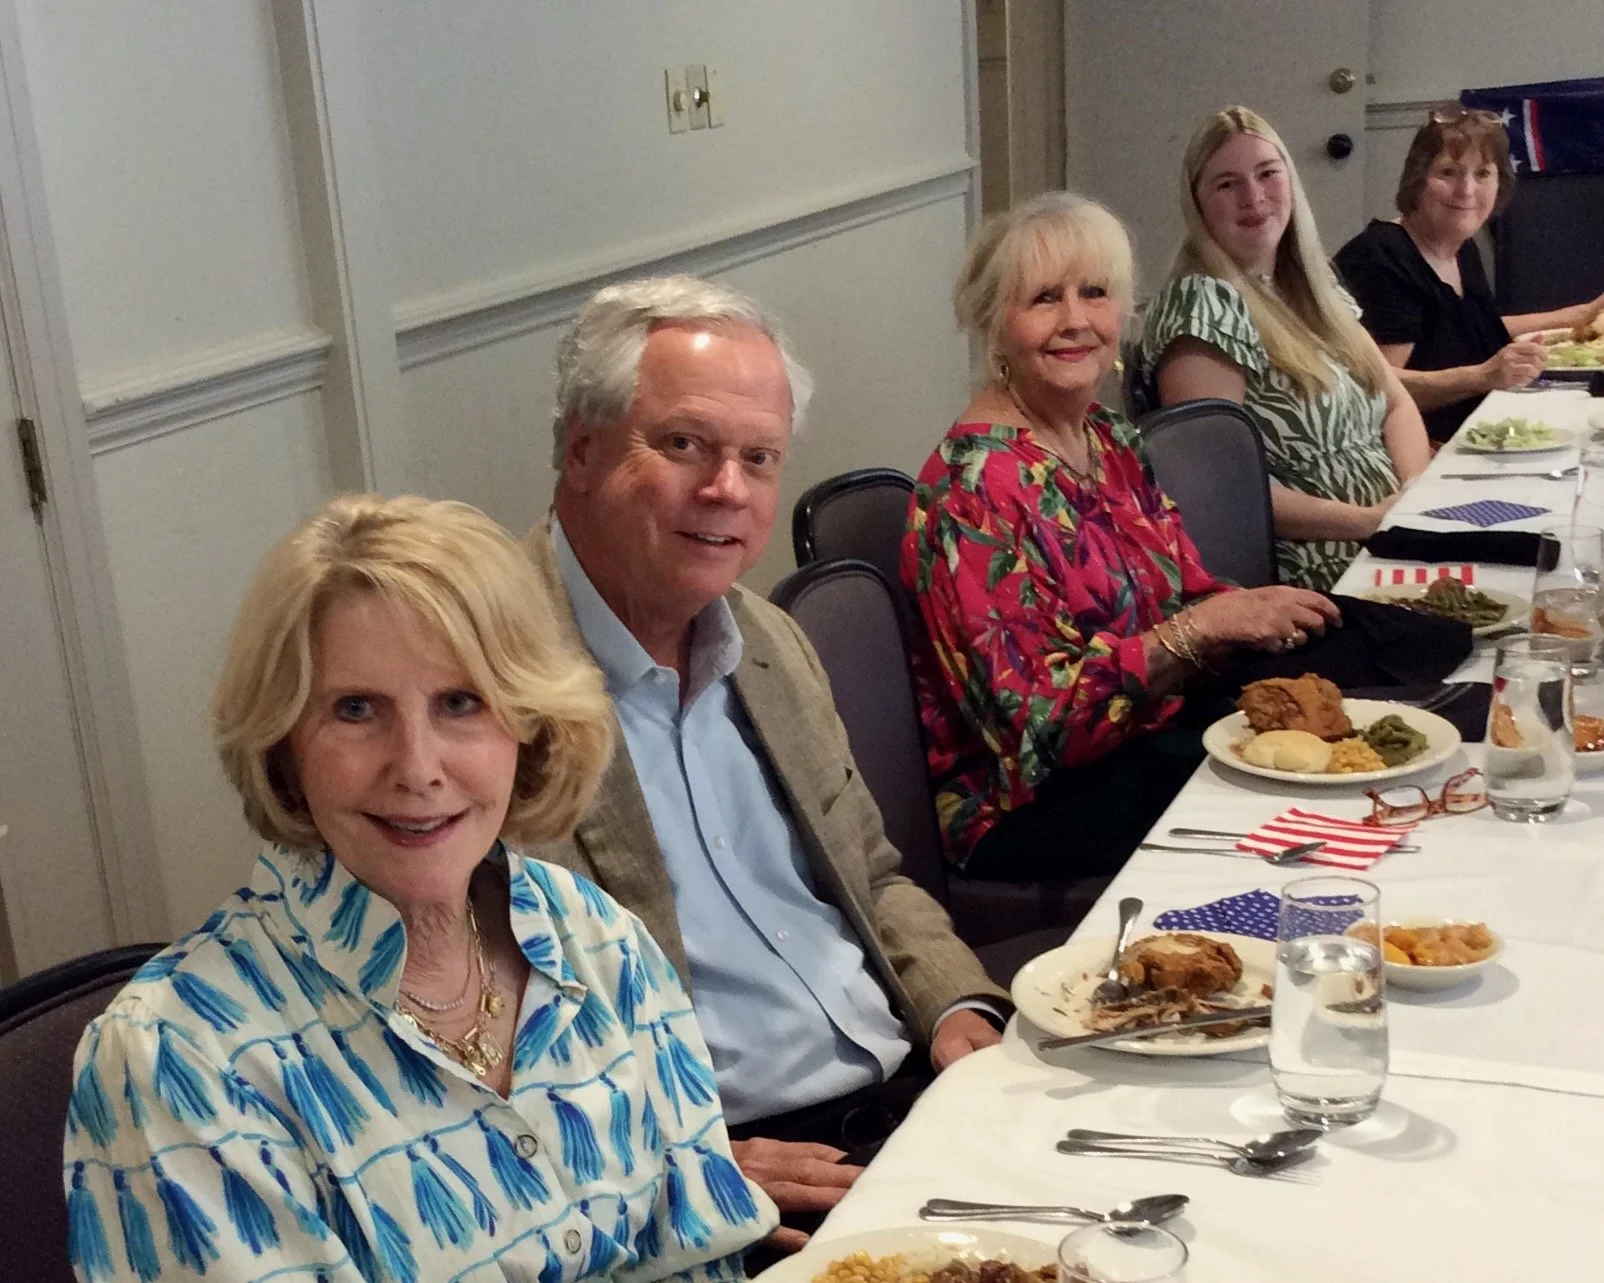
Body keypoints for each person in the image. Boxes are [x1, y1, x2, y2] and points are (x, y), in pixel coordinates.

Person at [63, 495, 772, 1283]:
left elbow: (707, 1262)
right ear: (283, 744)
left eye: (460, 702)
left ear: (527, 722)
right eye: (355, 709)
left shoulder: (596, 939)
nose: (417, 766)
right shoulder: (180, 1058)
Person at [524, 275, 1008, 1255]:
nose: (726, 489)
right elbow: (475, 1033)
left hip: (909, 1089)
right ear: (580, 446)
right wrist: (675, 1159)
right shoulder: (484, 684)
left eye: (757, 458)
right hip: (726, 1167)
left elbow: (871, 874)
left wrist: (955, 1005)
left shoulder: (769, 643)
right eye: (684, 445)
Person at [903, 191, 1340, 881]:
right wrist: (1202, 628)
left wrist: (1256, 618)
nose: (1076, 320)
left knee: (1340, 733)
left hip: (1142, 740)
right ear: (993, 326)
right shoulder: (973, 488)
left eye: (1096, 293)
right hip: (1028, 804)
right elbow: (1036, 729)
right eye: (1044, 298)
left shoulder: (1106, 439)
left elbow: (1186, 591)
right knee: (1296, 820)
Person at [1129, 106, 1432, 592]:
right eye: (1226, 184)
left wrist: (1415, 497)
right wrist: (1369, 521)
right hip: (1310, 578)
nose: (1254, 198)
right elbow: (1223, 488)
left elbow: (1395, 402)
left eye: (1267, 174)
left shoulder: (1310, 287)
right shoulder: (1203, 303)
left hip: (1388, 545)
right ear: (1198, 204)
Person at [1335, 105, 1604, 442]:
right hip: (1413, 450)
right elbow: (1376, 387)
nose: (1467, 191)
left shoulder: (1460, 246)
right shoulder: (1381, 259)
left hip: (1476, 429)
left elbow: (1467, 330)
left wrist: (1579, 316)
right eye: (1449, 173)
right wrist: (1482, 376)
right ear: (1417, 180)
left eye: (1483, 174)